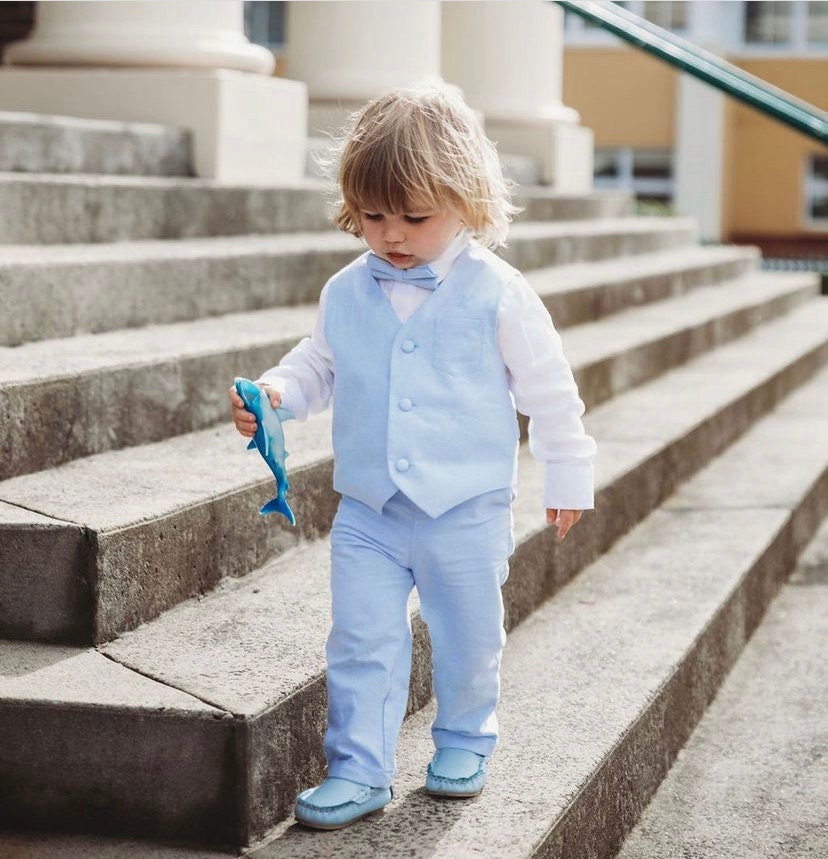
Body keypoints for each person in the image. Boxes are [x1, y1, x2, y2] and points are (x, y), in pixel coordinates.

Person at [228, 83, 596, 831]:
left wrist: (568, 475)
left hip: (465, 508)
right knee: (361, 639)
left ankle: (465, 738)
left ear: (467, 201)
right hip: (369, 510)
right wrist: (275, 393)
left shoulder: (499, 293)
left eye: (415, 217)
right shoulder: (345, 291)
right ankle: (358, 766)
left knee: (468, 635)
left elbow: (550, 392)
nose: (392, 234)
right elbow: (319, 365)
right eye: (372, 216)